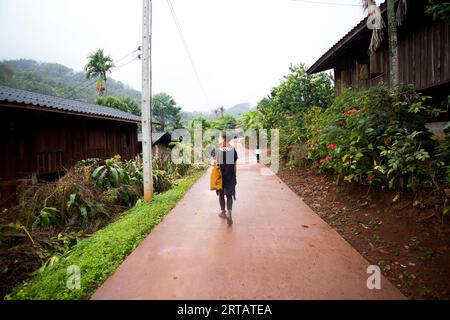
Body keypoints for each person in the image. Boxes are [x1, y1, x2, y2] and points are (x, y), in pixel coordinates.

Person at [215, 131, 238, 225]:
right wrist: (235, 176)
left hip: (220, 175)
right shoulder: (232, 149)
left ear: (222, 137)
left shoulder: (218, 149)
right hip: (230, 175)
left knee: (221, 194)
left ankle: (223, 212)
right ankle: (229, 212)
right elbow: (234, 165)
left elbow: (216, 163)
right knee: (229, 195)